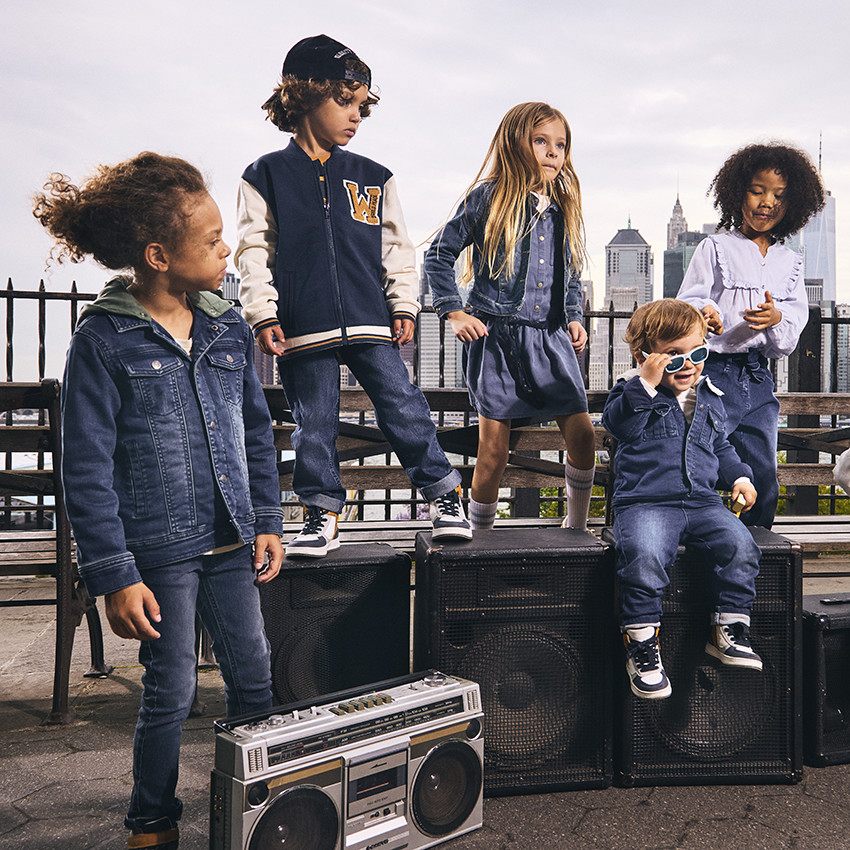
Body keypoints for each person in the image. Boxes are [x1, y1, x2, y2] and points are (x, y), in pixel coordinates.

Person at [33, 152, 284, 850]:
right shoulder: (103, 340)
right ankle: (152, 822)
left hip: (233, 540)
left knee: (256, 680)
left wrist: (268, 520)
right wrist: (115, 574)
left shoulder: (229, 328)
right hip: (159, 553)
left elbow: (256, 433)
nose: (226, 249)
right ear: (159, 256)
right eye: (212, 240)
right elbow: (85, 469)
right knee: (170, 693)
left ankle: (259, 813)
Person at [236, 34, 471, 556]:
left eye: (362, 106)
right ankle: (321, 513)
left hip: (370, 319)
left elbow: (397, 248)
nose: (356, 116)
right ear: (303, 96)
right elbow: (253, 250)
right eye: (345, 101)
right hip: (301, 324)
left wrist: (404, 303)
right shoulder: (264, 175)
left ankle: (444, 495)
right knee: (313, 423)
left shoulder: (373, 177)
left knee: (404, 408)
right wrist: (262, 314)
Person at [423, 102, 596, 531]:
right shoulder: (489, 197)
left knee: (583, 435)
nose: (552, 152)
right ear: (514, 143)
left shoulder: (563, 207)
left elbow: (572, 273)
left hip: (551, 340)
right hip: (497, 341)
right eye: (541, 141)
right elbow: (438, 255)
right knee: (493, 453)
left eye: (561, 144)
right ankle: (481, 538)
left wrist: (574, 316)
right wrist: (454, 312)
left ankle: (577, 528)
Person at [602, 299, 763, 699]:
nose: (688, 364)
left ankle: (729, 628)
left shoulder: (709, 396)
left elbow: (720, 447)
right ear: (644, 357)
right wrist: (645, 384)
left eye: (698, 353)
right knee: (644, 555)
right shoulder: (630, 391)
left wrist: (741, 477)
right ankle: (641, 643)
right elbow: (619, 426)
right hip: (646, 503)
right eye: (674, 356)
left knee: (741, 546)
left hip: (703, 503)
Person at [677, 143, 825, 528]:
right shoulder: (715, 247)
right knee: (703, 458)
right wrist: (704, 312)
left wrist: (776, 317)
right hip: (713, 373)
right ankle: (698, 538)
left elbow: (790, 330)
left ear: (793, 204)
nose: (767, 202)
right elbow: (689, 299)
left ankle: (759, 547)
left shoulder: (790, 262)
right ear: (737, 193)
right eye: (757, 191)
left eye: (779, 195)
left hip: (758, 378)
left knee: (763, 472)